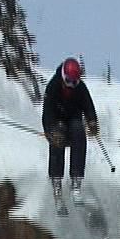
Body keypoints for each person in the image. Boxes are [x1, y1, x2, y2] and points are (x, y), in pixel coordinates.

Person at [41, 56, 99, 208]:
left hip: (73, 119)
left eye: (75, 82)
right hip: (57, 120)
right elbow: (47, 112)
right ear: (62, 76)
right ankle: (56, 182)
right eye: (68, 81)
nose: (71, 85)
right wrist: (50, 131)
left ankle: (76, 181)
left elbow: (88, 105)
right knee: (57, 139)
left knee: (79, 131)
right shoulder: (53, 86)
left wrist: (92, 121)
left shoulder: (80, 88)